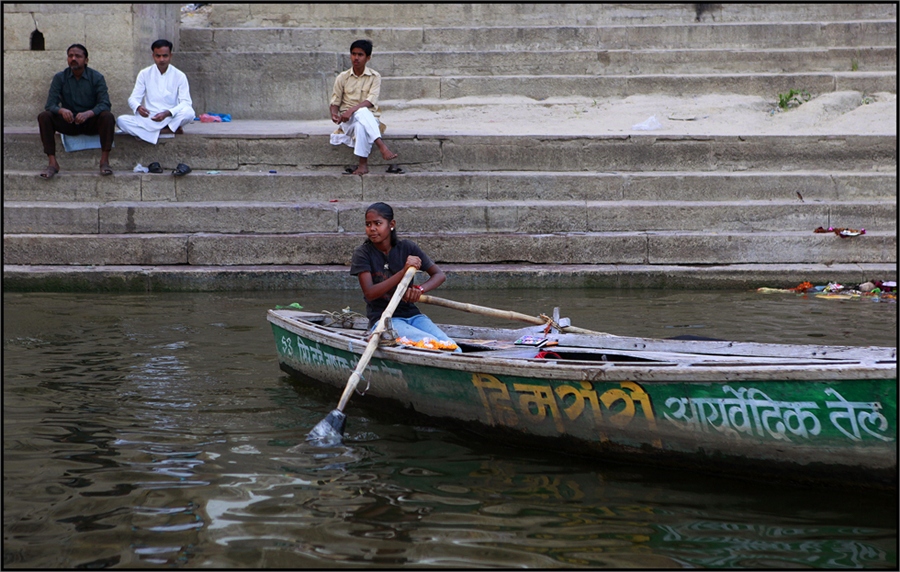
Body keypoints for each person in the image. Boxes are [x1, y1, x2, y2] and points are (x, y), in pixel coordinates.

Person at [350, 202, 460, 351]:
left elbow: (439, 275)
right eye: (368, 224)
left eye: (377, 223)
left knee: (452, 347)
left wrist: (419, 289)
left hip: (413, 316)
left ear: (391, 224)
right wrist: (403, 272)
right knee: (432, 345)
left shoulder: (407, 247)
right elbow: (370, 293)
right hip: (385, 321)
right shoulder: (363, 253)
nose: (372, 229)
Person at [38, 43, 115, 178]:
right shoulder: (60, 77)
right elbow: (50, 104)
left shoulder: (96, 77)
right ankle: (52, 163)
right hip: (69, 122)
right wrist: (61, 111)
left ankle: (104, 161)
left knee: (107, 116)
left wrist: (89, 113)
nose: (73, 58)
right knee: (44, 116)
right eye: (70, 56)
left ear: (86, 60)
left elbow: (105, 103)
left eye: (78, 56)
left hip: (90, 122)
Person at [329, 39, 398, 176]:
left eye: (360, 55)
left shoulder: (375, 76)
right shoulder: (342, 77)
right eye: (353, 54)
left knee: (362, 118)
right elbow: (335, 102)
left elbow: (371, 101)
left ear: (368, 58)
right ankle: (382, 146)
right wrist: (334, 114)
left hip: (369, 118)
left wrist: (352, 110)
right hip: (348, 121)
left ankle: (363, 165)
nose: (356, 58)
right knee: (360, 115)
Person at [117, 39, 195, 156]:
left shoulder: (179, 76)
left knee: (189, 112)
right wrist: (138, 107)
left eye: (165, 56)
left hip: (169, 118)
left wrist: (167, 113)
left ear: (170, 56)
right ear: (153, 56)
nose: (161, 59)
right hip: (150, 118)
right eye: (158, 56)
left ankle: (159, 131)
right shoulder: (144, 73)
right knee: (121, 121)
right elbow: (133, 98)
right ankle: (165, 132)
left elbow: (186, 102)